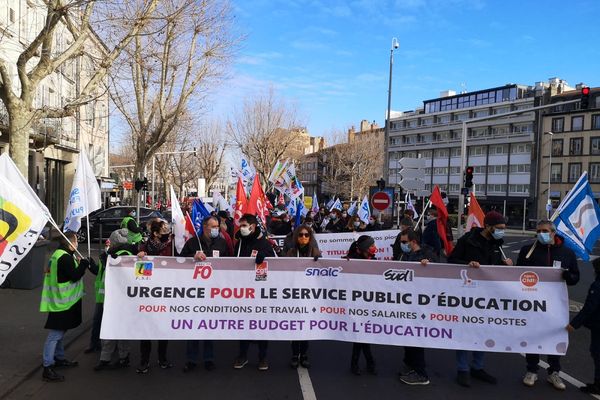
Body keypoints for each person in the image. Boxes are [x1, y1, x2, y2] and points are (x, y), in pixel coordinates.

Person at [448, 211, 512, 387]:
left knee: (484, 330)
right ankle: (463, 369)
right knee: (465, 331)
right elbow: (451, 260)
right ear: (488, 226)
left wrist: (505, 266)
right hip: (467, 294)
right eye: (499, 228)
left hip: (488, 296)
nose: (502, 232)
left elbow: (494, 268)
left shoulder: (497, 244)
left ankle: (478, 367)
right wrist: (467, 265)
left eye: (503, 229)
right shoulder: (468, 241)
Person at [518, 220, 580, 390]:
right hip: (531, 303)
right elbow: (516, 274)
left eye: (544, 231)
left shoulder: (567, 253)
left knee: (554, 336)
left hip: (555, 305)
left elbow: (576, 277)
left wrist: (568, 276)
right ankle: (532, 370)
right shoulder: (527, 251)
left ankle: (554, 372)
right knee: (532, 335)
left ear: (553, 232)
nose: (541, 234)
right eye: (538, 231)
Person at [179, 216, 232, 373]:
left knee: (209, 325)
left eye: (218, 226)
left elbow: (231, 264)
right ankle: (191, 359)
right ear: (204, 227)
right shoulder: (193, 243)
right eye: (213, 226)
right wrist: (192, 258)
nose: (216, 229)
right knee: (193, 325)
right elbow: (179, 261)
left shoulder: (221, 243)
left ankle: (209, 359)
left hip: (215, 291)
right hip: (195, 292)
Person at [40, 231, 92, 382]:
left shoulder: (58, 254)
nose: (77, 244)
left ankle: (59, 357)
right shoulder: (64, 258)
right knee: (55, 334)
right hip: (62, 302)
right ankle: (47, 367)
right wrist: (83, 265)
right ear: (69, 244)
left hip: (59, 300)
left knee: (60, 332)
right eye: (75, 241)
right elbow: (74, 276)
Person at [233, 214, 276, 371]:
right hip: (242, 291)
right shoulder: (239, 243)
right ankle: (243, 355)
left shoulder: (263, 244)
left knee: (261, 326)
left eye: (244, 225)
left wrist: (265, 259)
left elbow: (275, 265)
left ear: (253, 226)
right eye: (241, 225)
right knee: (243, 325)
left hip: (260, 291)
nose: (242, 228)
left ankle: (262, 357)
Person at [93, 229, 138, 371]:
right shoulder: (112, 255)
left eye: (111, 241)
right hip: (114, 298)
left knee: (117, 328)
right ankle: (111, 358)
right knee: (112, 328)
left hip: (119, 299)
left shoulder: (121, 256)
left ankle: (119, 358)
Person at [396, 229, 438, 385]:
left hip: (420, 306)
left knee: (416, 338)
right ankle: (411, 365)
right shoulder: (404, 255)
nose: (402, 245)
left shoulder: (427, 256)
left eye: (404, 242)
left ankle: (421, 374)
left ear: (413, 242)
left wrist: (429, 266)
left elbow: (440, 274)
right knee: (407, 337)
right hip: (406, 302)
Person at [136, 219, 174, 373]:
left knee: (162, 328)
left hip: (165, 293)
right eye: (164, 232)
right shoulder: (145, 247)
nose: (167, 235)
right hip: (148, 295)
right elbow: (140, 273)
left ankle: (162, 359)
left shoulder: (171, 246)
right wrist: (139, 255)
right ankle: (144, 361)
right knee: (146, 330)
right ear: (155, 234)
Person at [285, 225, 321, 368]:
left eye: (306, 235)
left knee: (305, 327)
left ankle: (304, 354)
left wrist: (320, 262)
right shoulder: (291, 252)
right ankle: (295, 354)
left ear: (310, 237)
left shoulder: (315, 252)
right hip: (294, 294)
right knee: (295, 327)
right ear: (296, 237)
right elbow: (284, 271)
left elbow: (323, 274)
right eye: (300, 235)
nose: (303, 237)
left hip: (309, 295)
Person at [567, 258, 600, 394]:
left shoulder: (597, 285)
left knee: (597, 353)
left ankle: (598, 385)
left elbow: (589, 307)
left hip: (598, 326)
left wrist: (574, 324)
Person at [346, 235, 378, 375]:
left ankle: (359, 363)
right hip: (356, 303)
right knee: (361, 335)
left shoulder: (375, 261)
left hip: (369, 304)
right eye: (371, 245)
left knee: (362, 335)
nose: (374, 247)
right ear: (365, 248)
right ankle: (367, 363)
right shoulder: (352, 262)